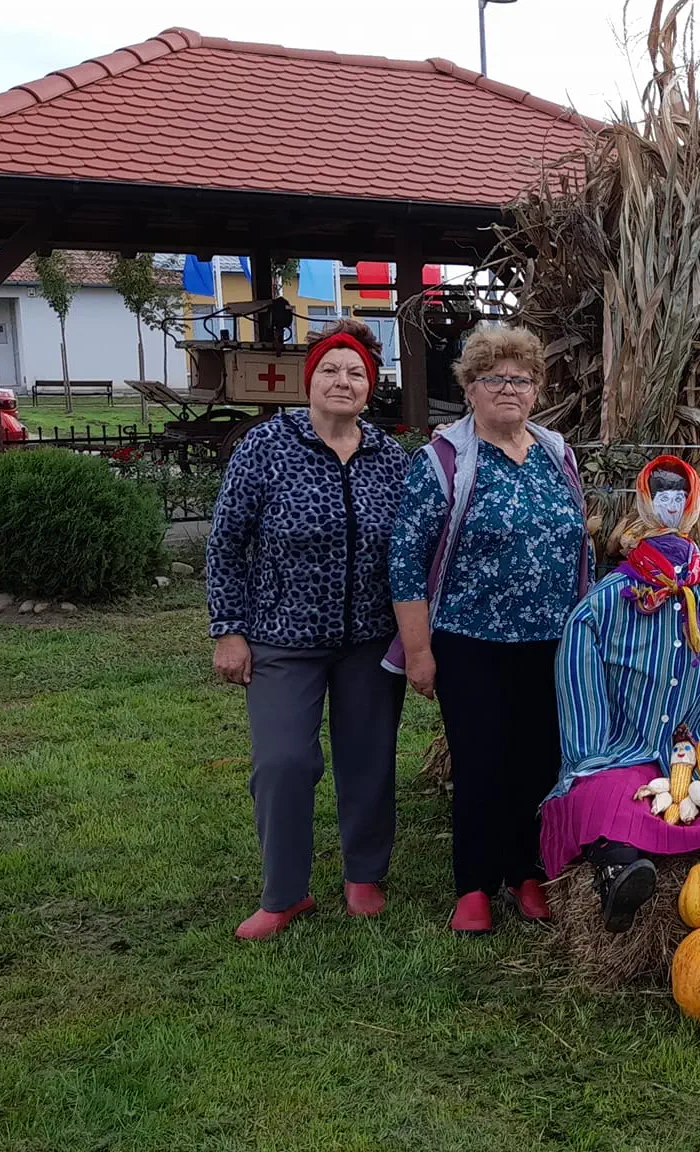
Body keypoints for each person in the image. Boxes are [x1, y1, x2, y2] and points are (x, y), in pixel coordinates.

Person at [207, 317, 409, 941]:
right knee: (284, 762)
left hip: (370, 640)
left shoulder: (389, 457)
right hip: (281, 638)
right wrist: (229, 630)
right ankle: (284, 892)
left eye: (355, 373)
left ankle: (364, 875)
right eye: (329, 370)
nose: (342, 381)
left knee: (369, 759)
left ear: (369, 388)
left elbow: (409, 548)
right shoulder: (267, 446)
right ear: (308, 380)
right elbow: (224, 543)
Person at [390, 325, 590, 934]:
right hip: (469, 638)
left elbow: (577, 543)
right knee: (481, 759)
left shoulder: (557, 454)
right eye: (494, 379)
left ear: (536, 390)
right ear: (470, 389)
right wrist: (419, 650)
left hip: (549, 641)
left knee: (538, 757)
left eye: (522, 379)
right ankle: (473, 885)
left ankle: (524, 871)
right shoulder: (445, 460)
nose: (510, 389)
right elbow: (404, 557)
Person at [540, 457, 700, 929]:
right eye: (662, 497)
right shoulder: (601, 607)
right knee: (603, 797)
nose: (672, 507)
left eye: (680, 497)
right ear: (644, 503)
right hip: (627, 749)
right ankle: (620, 870)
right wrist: (589, 762)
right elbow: (582, 697)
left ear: (694, 506)